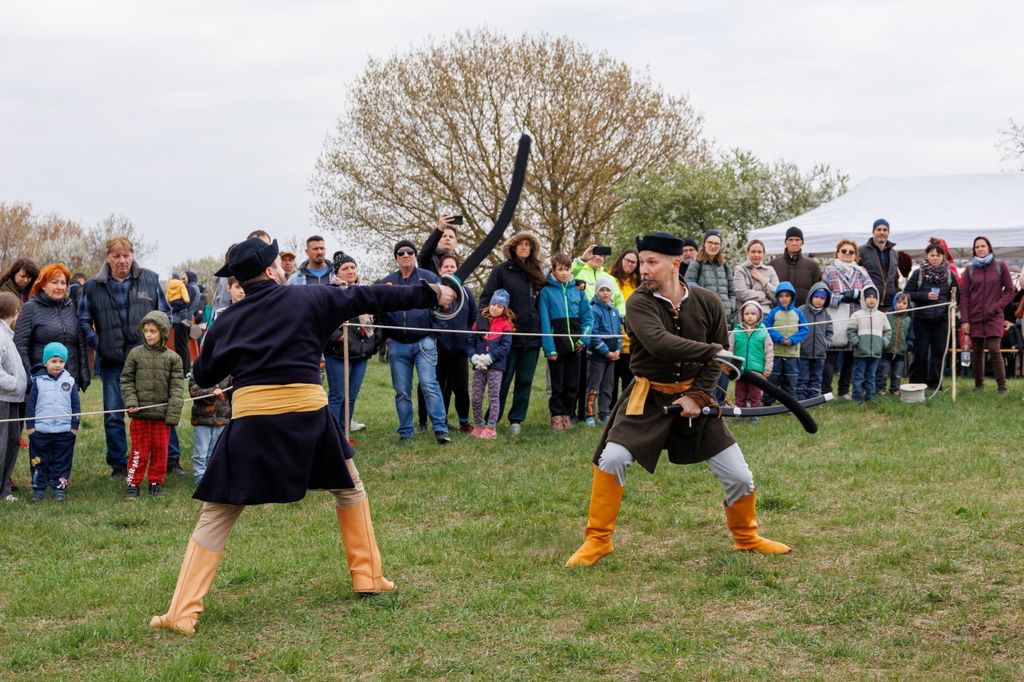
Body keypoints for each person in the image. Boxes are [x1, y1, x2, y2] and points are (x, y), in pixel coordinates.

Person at [149, 237, 456, 634]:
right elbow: (372, 295)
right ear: (272, 269)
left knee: (217, 513)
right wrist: (431, 292)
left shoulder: (228, 320)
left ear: (239, 280)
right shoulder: (310, 299)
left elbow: (205, 375)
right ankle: (369, 576)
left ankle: (181, 614)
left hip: (254, 419)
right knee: (350, 489)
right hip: (309, 414)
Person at [565, 232, 790, 569]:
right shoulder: (640, 302)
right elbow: (662, 343)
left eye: (652, 262)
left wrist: (699, 395)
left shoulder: (709, 301)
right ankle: (598, 540)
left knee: (739, 475)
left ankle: (746, 537)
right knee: (611, 459)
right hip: (647, 397)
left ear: (676, 263)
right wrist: (716, 351)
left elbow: (718, 364)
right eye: (642, 262)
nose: (644, 269)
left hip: (697, 398)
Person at [78, 237, 173, 478]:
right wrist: (99, 344)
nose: (122, 260)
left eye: (126, 255)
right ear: (108, 258)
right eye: (116, 256)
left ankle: (170, 460)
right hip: (112, 362)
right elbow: (83, 321)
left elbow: (165, 315)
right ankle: (119, 464)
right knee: (113, 414)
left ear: (132, 255)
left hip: (149, 359)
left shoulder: (150, 279)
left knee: (160, 409)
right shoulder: (92, 286)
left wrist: (156, 343)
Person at [377, 240, 450, 445]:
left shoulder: (429, 278)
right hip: (397, 344)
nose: (406, 255)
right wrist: (387, 337)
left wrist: (434, 333)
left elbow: (444, 307)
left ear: (415, 255)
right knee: (401, 390)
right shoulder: (387, 282)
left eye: (410, 251)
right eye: (401, 252)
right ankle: (405, 432)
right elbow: (379, 310)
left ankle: (440, 430)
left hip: (424, 341)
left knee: (429, 385)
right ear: (396, 257)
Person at [480, 231, 545, 435]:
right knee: (502, 380)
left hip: (532, 335)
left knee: (525, 380)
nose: (524, 247)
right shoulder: (501, 270)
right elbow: (485, 299)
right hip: (507, 336)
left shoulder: (537, 272)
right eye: (521, 244)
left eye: (528, 244)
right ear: (513, 247)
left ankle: (516, 419)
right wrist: (485, 327)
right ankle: (492, 418)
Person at [120, 311, 184, 498]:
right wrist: (131, 401)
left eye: (153, 331)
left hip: (161, 417)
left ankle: (156, 482)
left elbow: (177, 388)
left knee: (160, 451)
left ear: (162, 332)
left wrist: (172, 414)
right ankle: (133, 483)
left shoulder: (174, 358)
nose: (148, 334)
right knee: (138, 452)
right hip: (140, 415)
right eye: (146, 330)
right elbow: (126, 380)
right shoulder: (135, 354)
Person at [15, 263, 91, 395]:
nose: (60, 287)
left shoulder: (71, 307)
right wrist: (29, 377)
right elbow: (20, 346)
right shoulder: (30, 308)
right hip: (42, 380)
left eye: (63, 283)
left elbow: (79, 343)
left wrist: (83, 374)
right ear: (43, 285)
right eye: (54, 282)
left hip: (69, 380)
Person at [325, 253, 378, 435]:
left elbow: (375, 318)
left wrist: (375, 340)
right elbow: (321, 319)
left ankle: (345, 432)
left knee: (351, 396)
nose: (350, 271)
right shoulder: (330, 291)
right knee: (338, 395)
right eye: (345, 268)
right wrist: (336, 336)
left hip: (361, 352)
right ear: (337, 272)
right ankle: (333, 436)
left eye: (352, 267)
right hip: (338, 352)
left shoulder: (365, 291)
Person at [540, 253, 592, 430]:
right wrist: (549, 348)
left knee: (572, 384)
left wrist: (583, 339)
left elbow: (588, 318)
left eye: (567, 269)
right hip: (556, 346)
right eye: (560, 269)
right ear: (553, 271)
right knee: (557, 385)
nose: (564, 273)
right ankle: (556, 416)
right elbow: (545, 322)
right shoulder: (546, 292)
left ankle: (567, 415)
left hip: (575, 347)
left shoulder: (578, 290)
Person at [959, 236, 1015, 394]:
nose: (980, 249)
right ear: (974, 250)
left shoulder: (1000, 266)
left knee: (994, 350)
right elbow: (964, 296)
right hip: (974, 316)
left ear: (989, 248)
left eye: (983, 246)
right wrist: (965, 320)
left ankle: (1002, 387)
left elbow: (1010, 291)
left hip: (994, 316)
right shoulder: (969, 269)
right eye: (977, 247)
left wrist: (997, 307)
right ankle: (978, 386)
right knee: (976, 353)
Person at [25, 342, 80, 501]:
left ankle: (59, 487)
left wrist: (74, 427)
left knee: (62, 461)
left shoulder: (69, 381)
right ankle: (39, 488)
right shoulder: (38, 382)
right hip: (40, 431)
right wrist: (31, 428)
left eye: (61, 361)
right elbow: (31, 405)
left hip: (64, 431)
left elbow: (76, 406)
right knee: (38, 461)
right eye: (53, 361)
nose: (57, 365)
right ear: (45, 362)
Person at [820, 239, 874, 399]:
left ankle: (844, 390)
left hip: (856, 316)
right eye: (844, 251)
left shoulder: (861, 271)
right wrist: (840, 297)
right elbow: (822, 293)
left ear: (855, 255)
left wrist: (858, 295)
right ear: (838, 253)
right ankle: (826, 392)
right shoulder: (830, 270)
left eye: (851, 252)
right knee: (831, 354)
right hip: (836, 315)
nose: (847, 254)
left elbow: (871, 291)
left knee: (851, 355)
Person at [432, 251, 476, 433]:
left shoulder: (466, 292)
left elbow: (473, 316)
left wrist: (464, 335)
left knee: (461, 388)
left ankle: (464, 421)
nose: (449, 269)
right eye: (446, 266)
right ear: (440, 270)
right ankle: (440, 423)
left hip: (459, 348)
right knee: (440, 387)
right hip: (439, 348)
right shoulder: (435, 292)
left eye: (452, 266)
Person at [903, 240, 956, 390]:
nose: (935, 258)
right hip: (921, 320)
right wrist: (925, 296)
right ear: (927, 256)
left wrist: (953, 306)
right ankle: (916, 384)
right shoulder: (918, 273)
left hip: (942, 320)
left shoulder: (949, 275)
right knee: (920, 352)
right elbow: (907, 293)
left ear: (943, 256)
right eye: (932, 255)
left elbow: (956, 296)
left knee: (938, 354)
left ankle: (935, 385)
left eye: (938, 255)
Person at [467, 289, 514, 439]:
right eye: (493, 304)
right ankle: (478, 424)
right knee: (476, 396)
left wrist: (490, 357)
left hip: (495, 366)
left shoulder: (506, 325)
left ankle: (491, 427)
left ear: (504, 309)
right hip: (478, 365)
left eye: (500, 306)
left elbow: (505, 347)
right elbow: (470, 342)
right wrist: (473, 356)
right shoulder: (479, 321)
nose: (495, 308)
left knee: (494, 396)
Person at [0, 293, 27, 501]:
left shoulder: (7, 334)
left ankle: (4, 488)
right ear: (15, 311)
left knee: (11, 443)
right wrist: (15, 383)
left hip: (13, 400)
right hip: (3, 399)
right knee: (2, 445)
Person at [585, 276, 622, 426]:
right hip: (598, 355)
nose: (605, 293)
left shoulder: (615, 310)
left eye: (608, 290)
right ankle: (589, 414)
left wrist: (618, 349)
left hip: (612, 355)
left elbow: (619, 331)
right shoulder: (594, 310)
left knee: (608, 386)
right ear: (597, 292)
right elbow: (593, 335)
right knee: (594, 386)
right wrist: (606, 352)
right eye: (602, 290)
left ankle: (604, 413)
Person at [763, 282, 807, 405]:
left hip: (792, 354)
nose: (784, 298)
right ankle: (767, 402)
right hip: (776, 353)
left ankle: (789, 404)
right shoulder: (773, 312)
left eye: (787, 296)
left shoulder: (798, 313)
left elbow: (804, 329)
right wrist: (780, 339)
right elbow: (767, 328)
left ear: (792, 297)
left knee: (790, 380)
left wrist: (792, 340)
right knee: (773, 379)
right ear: (777, 297)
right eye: (781, 296)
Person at [846, 285, 891, 403]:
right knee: (858, 376)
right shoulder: (857, 315)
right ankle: (857, 397)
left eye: (874, 297)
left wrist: (883, 343)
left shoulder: (881, 315)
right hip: (860, 352)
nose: (871, 299)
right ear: (863, 299)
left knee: (871, 376)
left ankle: (870, 397)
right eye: (868, 297)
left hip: (876, 352)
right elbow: (850, 331)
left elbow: (888, 331)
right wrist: (857, 343)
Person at [729, 301, 774, 419]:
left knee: (755, 395)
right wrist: (730, 367)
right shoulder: (736, 331)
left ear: (759, 316)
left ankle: (755, 415)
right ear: (742, 315)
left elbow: (769, 352)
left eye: (753, 313)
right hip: (740, 370)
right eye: (747, 313)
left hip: (756, 371)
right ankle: (740, 415)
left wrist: (767, 369)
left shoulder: (763, 332)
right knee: (740, 394)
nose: (749, 316)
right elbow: (730, 349)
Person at [685, 230, 737, 325]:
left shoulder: (725, 266)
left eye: (716, 243)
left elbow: (732, 291)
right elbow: (689, 286)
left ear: (720, 246)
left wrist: (731, 307)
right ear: (704, 243)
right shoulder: (696, 264)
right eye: (710, 242)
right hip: (704, 314)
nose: (713, 246)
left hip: (726, 316)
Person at [608, 249, 640, 402]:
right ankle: (609, 410)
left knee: (629, 382)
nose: (630, 264)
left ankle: (627, 410)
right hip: (614, 340)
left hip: (632, 341)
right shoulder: (610, 280)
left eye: (634, 262)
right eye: (627, 260)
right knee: (611, 381)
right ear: (621, 260)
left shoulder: (639, 284)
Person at [189, 373, 230, 487]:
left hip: (222, 419)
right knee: (201, 453)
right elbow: (194, 390)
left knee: (214, 453)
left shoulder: (227, 372)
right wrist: (212, 392)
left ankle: (212, 478)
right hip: (202, 419)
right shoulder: (199, 371)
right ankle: (200, 480)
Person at [769, 227, 822, 306]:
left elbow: (818, 290)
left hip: (804, 312)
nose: (794, 243)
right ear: (786, 242)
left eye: (797, 240)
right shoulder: (773, 264)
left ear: (802, 242)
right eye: (791, 240)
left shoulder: (812, 265)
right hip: (778, 312)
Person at [797, 283, 833, 400]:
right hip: (803, 352)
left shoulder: (826, 315)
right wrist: (799, 343)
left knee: (816, 377)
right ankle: (801, 398)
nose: (819, 300)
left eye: (822, 298)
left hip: (819, 354)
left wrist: (826, 344)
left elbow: (829, 332)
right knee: (803, 376)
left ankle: (813, 398)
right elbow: (795, 329)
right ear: (811, 296)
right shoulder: (801, 311)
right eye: (816, 297)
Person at [859, 219, 900, 311]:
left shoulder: (894, 253)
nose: (882, 232)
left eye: (885, 230)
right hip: (869, 302)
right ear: (873, 231)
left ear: (888, 232)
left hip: (889, 303)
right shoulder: (862, 251)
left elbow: (895, 278)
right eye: (879, 229)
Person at [878, 292, 913, 395]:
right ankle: (880, 389)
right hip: (886, 351)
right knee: (883, 372)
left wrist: (908, 345)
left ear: (908, 305)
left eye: (904, 303)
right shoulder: (887, 317)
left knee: (897, 374)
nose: (901, 305)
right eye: (898, 302)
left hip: (900, 352)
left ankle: (895, 389)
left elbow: (910, 336)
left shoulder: (908, 320)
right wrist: (882, 344)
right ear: (894, 303)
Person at [733, 239, 779, 315]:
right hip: (746, 315)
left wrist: (762, 279)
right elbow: (741, 294)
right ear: (747, 253)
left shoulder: (770, 270)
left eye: (759, 252)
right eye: (753, 252)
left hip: (766, 314)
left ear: (764, 254)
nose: (756, 255)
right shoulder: (740, 269)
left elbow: (777, 294)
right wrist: (764, 295)